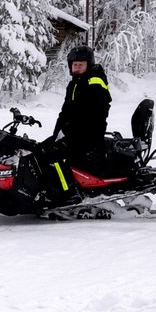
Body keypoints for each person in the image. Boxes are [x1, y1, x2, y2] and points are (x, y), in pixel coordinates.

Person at [42, 44, 112, 197]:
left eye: (81, 64)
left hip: (89, 134)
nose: (77, 67)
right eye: (75, 65)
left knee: (56, 155)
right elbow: (65, 112)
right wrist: (56, 134)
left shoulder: (94, 81)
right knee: (43, 148)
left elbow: (90, 113)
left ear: (89, 64)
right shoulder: (75, 84)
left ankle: (67, 193)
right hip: (77, 132)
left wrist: (67, 132)